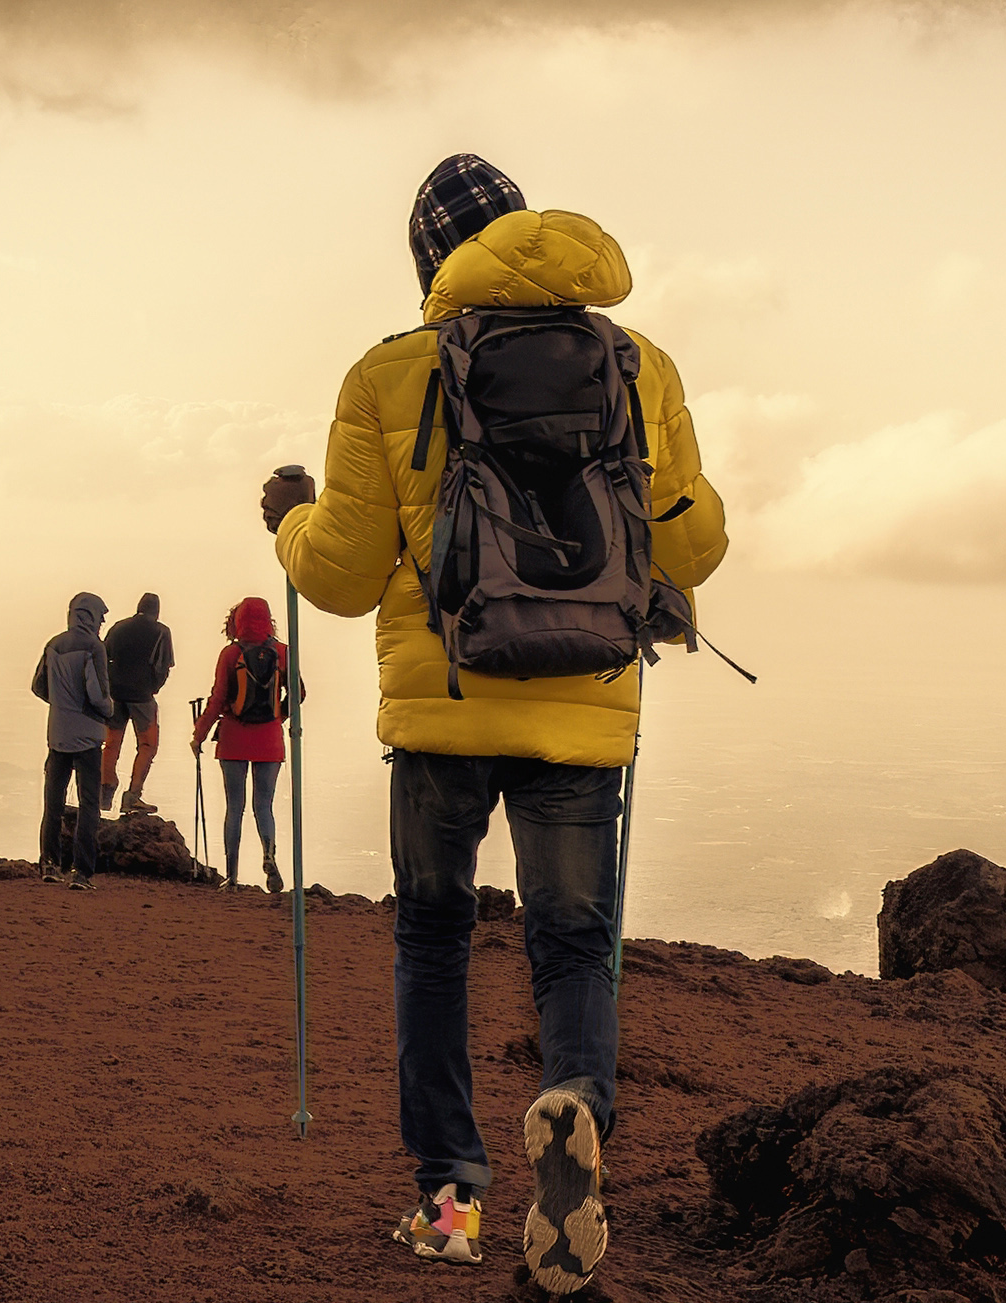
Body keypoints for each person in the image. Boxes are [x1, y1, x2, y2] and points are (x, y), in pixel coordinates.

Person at [262, 155, 729, 1299]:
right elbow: (693, 546)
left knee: (431, 942)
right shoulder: (637, 364)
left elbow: (337, 572)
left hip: (442, 706)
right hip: (583, 714)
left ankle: (450, 1199)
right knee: (573, 945)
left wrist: (287, 524)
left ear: (434, 260)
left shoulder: (388, 373)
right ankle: (572, 1106)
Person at [187, 596, 300, 889]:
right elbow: (298, 694)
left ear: (236, 620)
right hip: (270, 739)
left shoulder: (230, 654)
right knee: (264, 805)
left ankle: (232, 875)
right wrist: (279, 717)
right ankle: (269, 854)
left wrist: (199, 734)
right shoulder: (283, 652)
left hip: (234, 737)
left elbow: (217, 700)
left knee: (233, 807)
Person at [22, 591, 119, 888]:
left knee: (53, 802)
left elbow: (38, 686)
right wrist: (109, 710)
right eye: (100, 617)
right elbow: (98, 695)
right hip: (88, 735)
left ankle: (49, 863)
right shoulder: (94, 647)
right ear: (89, 616)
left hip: (57, 733)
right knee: (89, 805)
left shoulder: (54, 644)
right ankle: (81, 872)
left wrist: (61, 704)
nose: (102, 623)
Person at [100, 593, 176, 813]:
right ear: (157, 610)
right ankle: (132, 795)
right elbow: (164, 666)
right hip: (142, 696)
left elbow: (103, 658)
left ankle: (105, 792)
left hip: (115, 693)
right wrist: (154, 687)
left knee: (111, 743)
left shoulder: (119, 628)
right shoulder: (162, 632)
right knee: (147, 745)